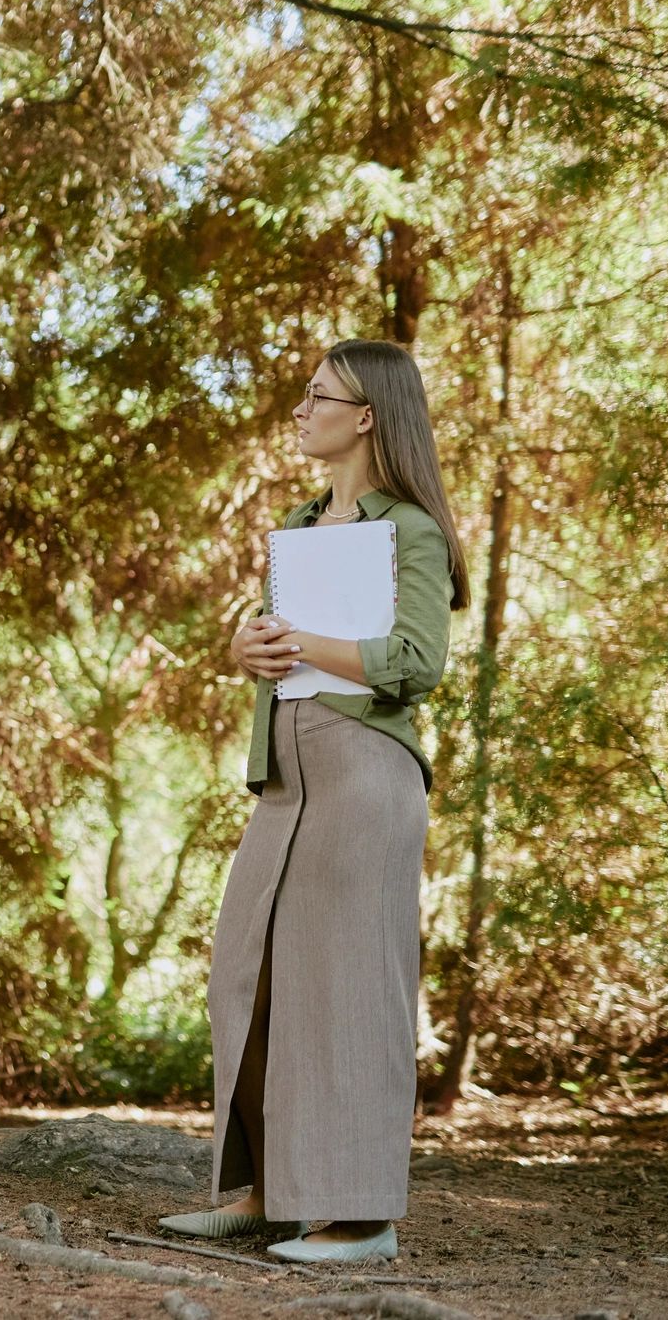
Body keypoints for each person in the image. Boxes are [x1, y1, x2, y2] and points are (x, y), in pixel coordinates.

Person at [161, 339, 469, 1262]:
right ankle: (272, 1197)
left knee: (348, 990)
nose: (299, 411)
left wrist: (304, 641)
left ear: (366, 415)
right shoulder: (295, 524)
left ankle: (361, 1217)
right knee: (247, 979)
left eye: (316, 397)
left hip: (365, 772)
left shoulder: (409, 529)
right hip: (285, 778)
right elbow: (278, 654)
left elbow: (417, 664)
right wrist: (247, 651)